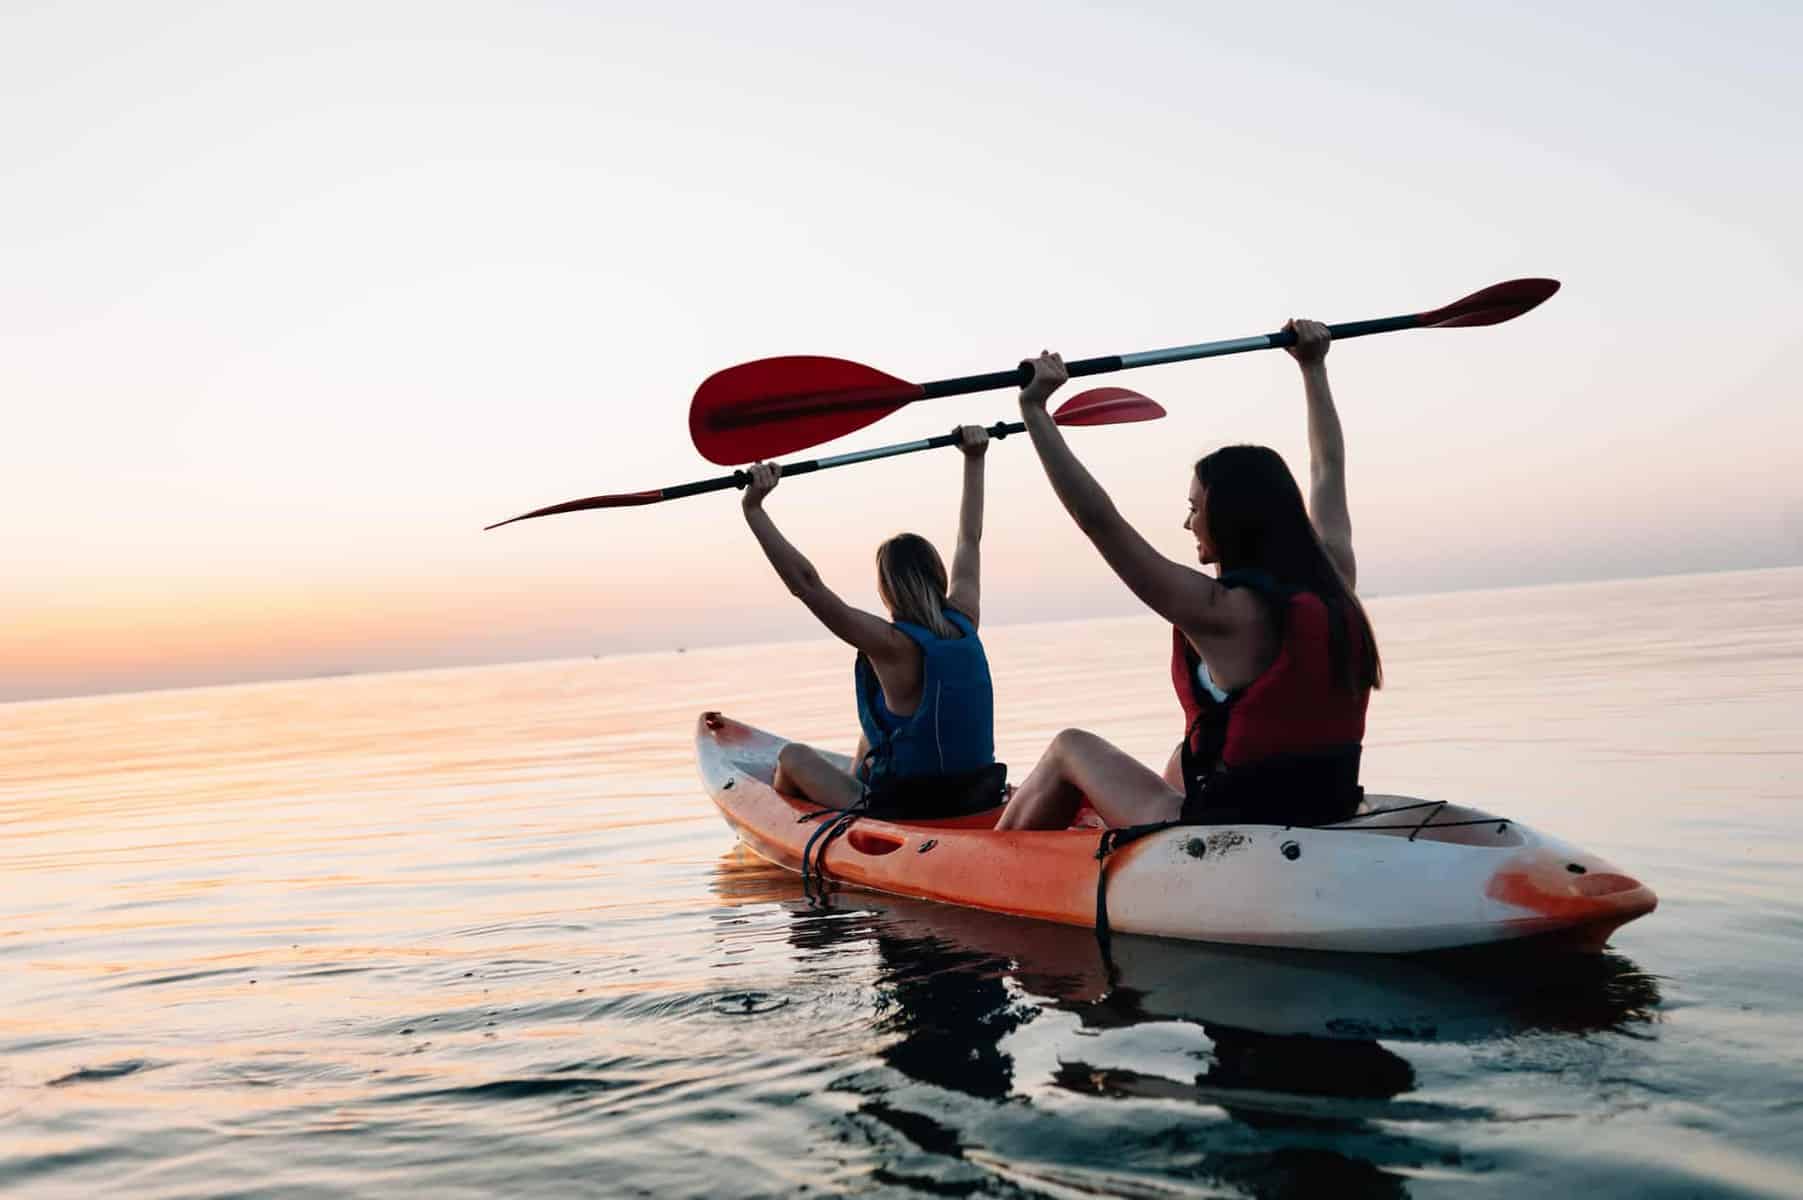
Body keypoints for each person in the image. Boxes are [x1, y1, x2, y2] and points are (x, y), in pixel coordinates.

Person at [996, 320, 1381, 831]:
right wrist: (1314, 367)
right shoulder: (1335, 576)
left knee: (1071, 746)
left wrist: (1034, 411)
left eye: (1195, 507)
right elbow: (1327, 468)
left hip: (1232, 824)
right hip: (1327, 805)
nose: (1187, 521)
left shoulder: (1218, 611)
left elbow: (1099, 522)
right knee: (1184, 757)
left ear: (1229, 517)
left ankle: (994, 861)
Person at [739, 426, 1001, 814]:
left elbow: (807, 585)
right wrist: (975, 459)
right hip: (977, 792)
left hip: (906, 805)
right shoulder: (965, 616)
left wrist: (754, 509)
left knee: (792, 756)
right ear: (938, 574)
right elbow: (969, 539)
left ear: (887, 588)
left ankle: (794, 820)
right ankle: (856, 777)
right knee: (870, 734)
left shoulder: (888, 644)